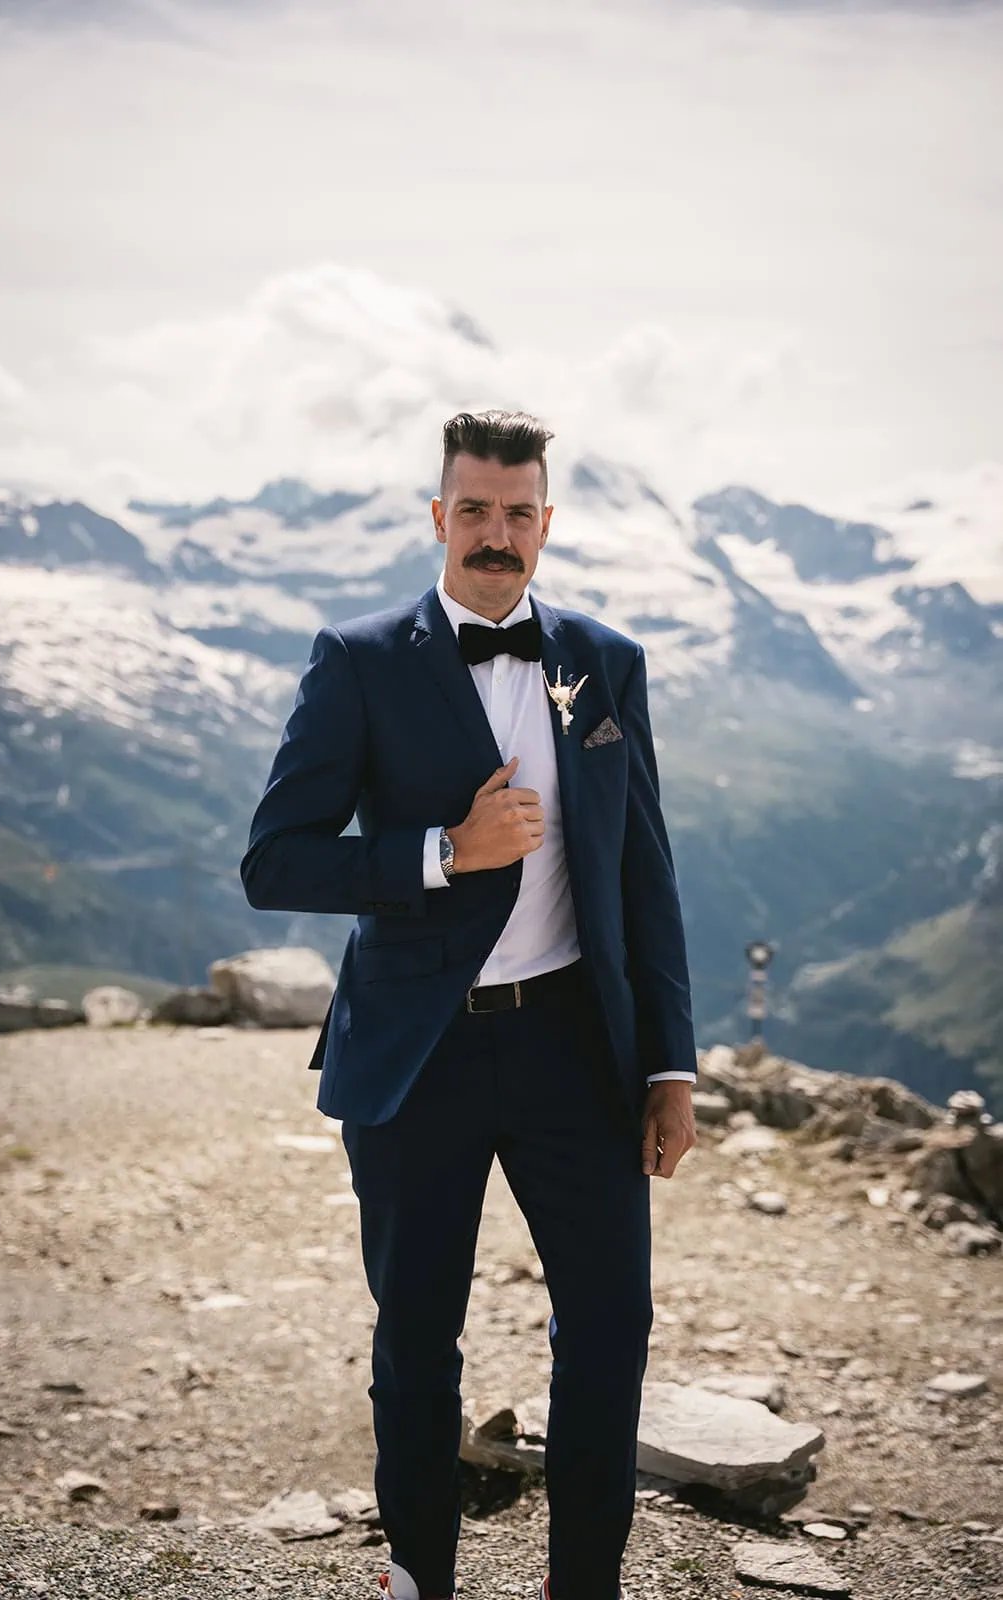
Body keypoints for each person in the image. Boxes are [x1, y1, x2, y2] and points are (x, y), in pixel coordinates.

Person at [240, 410, 698, 1600]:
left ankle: (580, 1583)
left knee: (609, 1327)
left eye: (518, 513)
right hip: (415, 1054)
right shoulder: (358, 657)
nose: (496, 536)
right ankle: (415, 1577)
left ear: (546, 521)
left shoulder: (605, 662)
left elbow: (641, 871)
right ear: (438, 515)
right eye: (475, 511)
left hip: (574, 1050)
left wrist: (671, 1066)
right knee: (416, 1339)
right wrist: (443, 851)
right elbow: (274, 861)